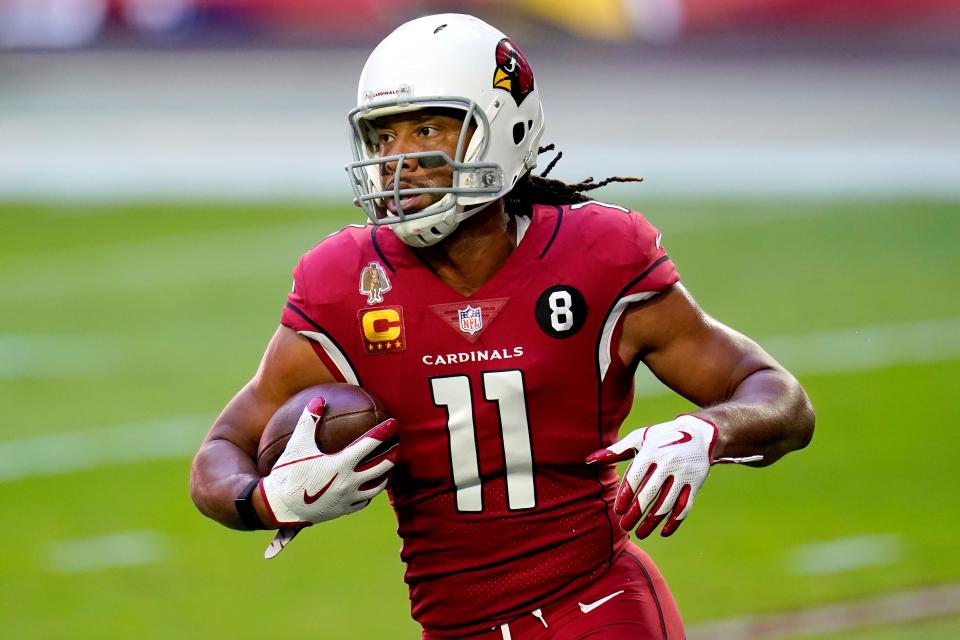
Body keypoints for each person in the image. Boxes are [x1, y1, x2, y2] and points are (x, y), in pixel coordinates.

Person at [190, 13, 815, 640]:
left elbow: (780, 399)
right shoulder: (344, 282)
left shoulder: (599, 254)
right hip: (455, 627)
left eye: (427, 129)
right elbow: (219, 455)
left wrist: (707, 431)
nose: (398, 162)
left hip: (596, 607)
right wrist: (263, 500)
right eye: (383, 138)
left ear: (501, 128)